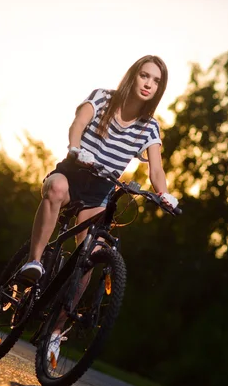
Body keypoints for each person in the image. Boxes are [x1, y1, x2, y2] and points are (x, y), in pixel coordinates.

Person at [16, 55, 179, 363]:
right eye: (145, 75)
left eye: (156, 81)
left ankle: (55, 332)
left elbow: (156, 169)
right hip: (73, 173)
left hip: (100, 192)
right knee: (56, 189)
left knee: (91, 255)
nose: (149, 83)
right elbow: (78, 123)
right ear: (133, 76)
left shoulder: (149, 127)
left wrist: (165, 194)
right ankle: (33, 263)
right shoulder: (102, 98)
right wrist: (77, 149)